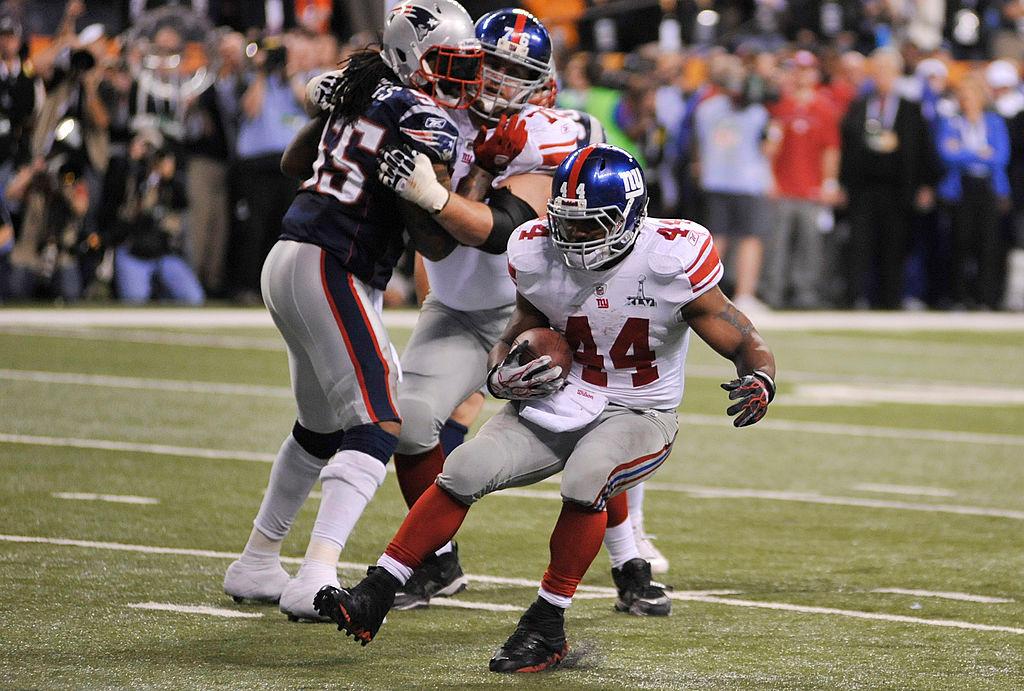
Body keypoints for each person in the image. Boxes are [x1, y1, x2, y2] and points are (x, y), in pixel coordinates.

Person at [314, 144, 777, 673]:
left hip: (638, 410)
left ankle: (547, 621)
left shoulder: (671, 257)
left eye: (589, 227)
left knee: (587, 478)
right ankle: (378, 589)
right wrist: (503, 368)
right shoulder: (535, 250)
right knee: (464, 467)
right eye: (566, 224)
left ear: (629, 218)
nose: (573, 239)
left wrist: (759, 376)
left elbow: (743, 337)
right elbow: (517, 328)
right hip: (560, 396)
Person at [221, 0, 484, 620]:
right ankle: (315, 573)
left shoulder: (363, 91)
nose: (459, 80)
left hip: (291, 255)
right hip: (332, 263)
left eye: (463, 65)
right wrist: (435, 197)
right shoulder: (425, 118)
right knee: (378, 423)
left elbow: (293, 165)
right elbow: (436, 241)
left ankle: (258, 559)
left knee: (320, 429)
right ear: (409, 59)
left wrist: (338, 107)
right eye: (445, 63)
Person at [838, 47, 938, 309]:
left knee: (894, 247)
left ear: (897, 74)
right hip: (864, 188)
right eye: (878, 70)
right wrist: (842, 184)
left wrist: (926, 185)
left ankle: (890, 301)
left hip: (898, 189)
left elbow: (923, 150)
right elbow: (847, 149)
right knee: (860, 246)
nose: (883, 76)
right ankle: (854, 299)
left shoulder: (910, 109)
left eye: (888, 71)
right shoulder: (860, 106)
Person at [693, 55, 774, 313]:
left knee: (718, 237)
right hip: (746, 181)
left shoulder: (706, 109)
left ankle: (704, 291)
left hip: (715, 179)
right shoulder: (758, 113)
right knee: (748, 238)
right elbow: (768, 149)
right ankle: (744, 294)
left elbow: (698, 146)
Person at [763, 50, 841, 309]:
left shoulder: (824, 108)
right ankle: (773, 291)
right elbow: (770, 147)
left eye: (806, 70)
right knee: (777, 243)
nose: (801, 75)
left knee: (810, 246)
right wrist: (769, 178)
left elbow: (830, 149)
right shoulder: (780, 106)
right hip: (783, 187)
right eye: (797, 69)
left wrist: (829, 182)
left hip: (811, 188)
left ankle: (805, 293)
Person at [936, 73, 1011, 310]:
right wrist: (980, 153)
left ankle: (985, 298)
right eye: (963, 95)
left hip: (987, 187)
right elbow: (947, 155)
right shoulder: (951, 122)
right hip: (962, 188)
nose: (966, 100)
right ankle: (959, 297)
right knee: (960, 242)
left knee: (988, 244)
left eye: (970, 95)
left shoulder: (994, 122)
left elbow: (1000, 156)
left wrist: (965, 152)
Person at [111, 137, 203, 304]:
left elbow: (181, 210)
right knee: (135, 301)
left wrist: (166, 181)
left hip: (164, 254)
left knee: (193, 298)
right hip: (134, 253)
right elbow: (123, 211)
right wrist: (133, 166)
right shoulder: (132, 176)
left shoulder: (172, 185)